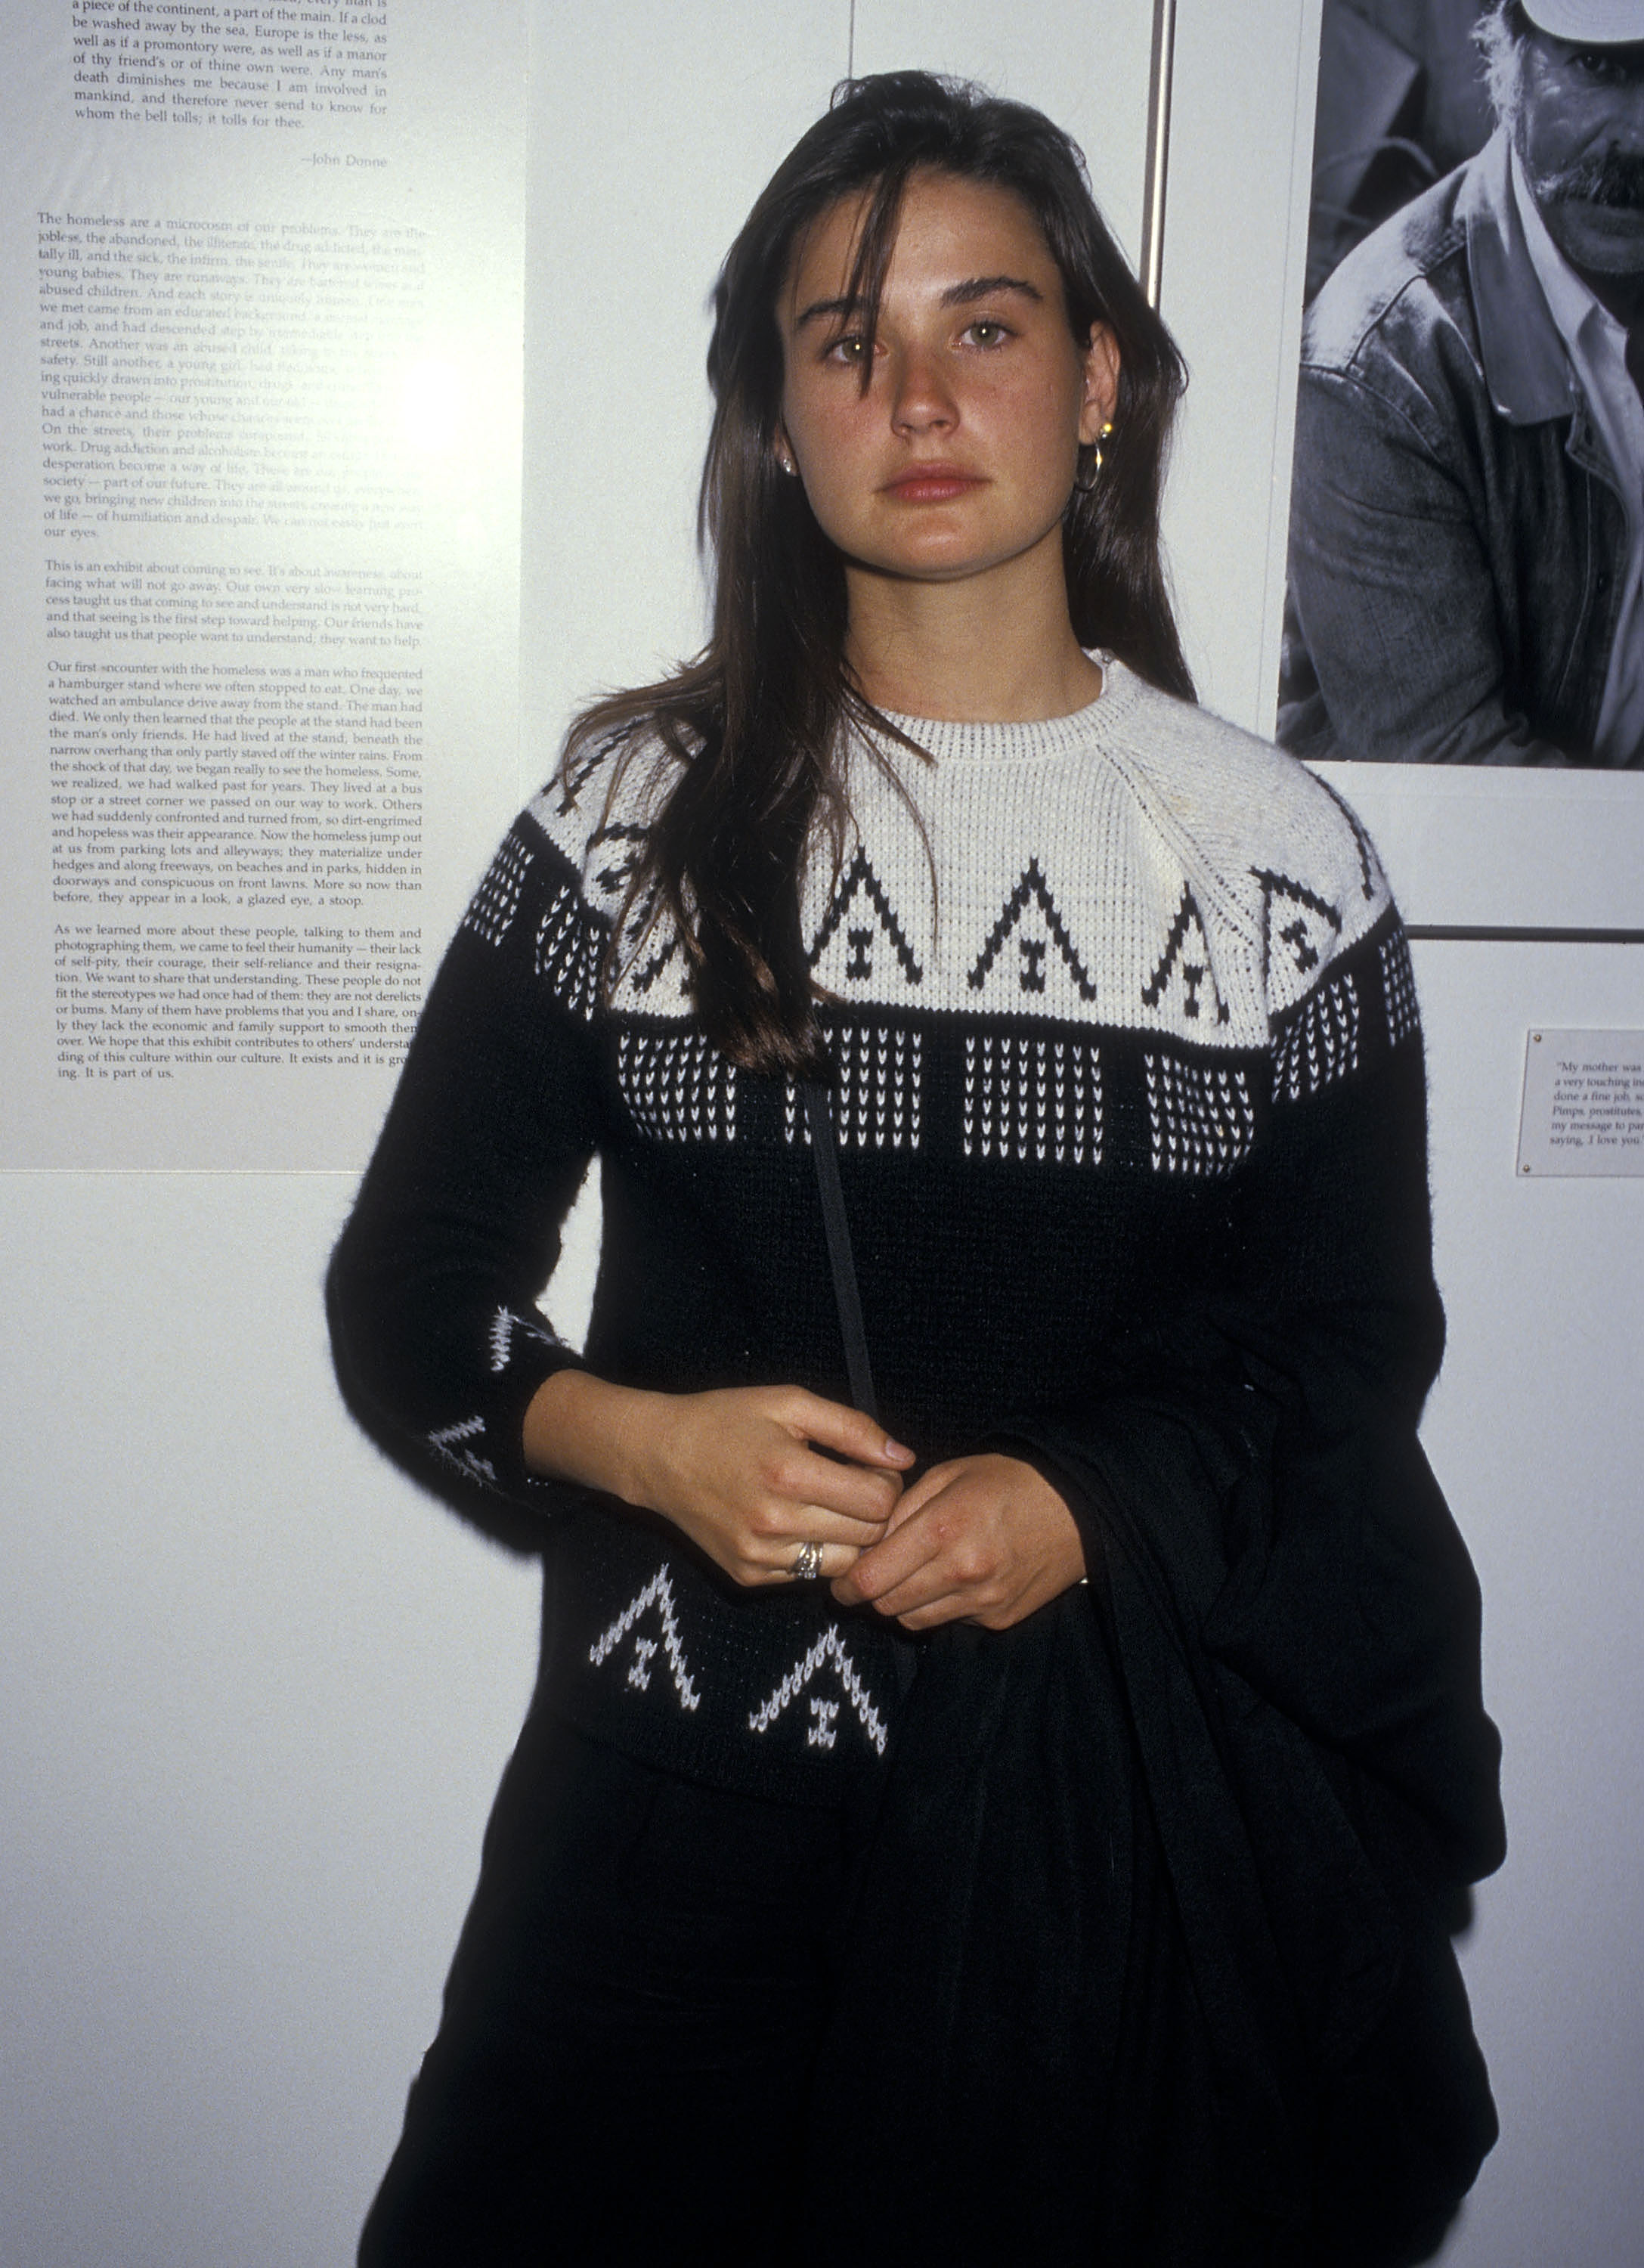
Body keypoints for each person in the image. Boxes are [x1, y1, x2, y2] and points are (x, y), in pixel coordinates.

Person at [329, 70, 1504, 2266]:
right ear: (776, 418)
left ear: (1098, 380)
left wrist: (1085, 1502)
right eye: (843, 339)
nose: (919, 397)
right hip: (661, 1859)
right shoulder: (627, 821)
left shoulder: (1276, 860)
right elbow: (404, 1295)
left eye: (984, 323)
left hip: (1085, 1864)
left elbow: (1349, 1352)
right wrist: (641, 1443)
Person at [1280, 0, 1644, 766]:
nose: (1637, 135)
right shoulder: (1375, 380)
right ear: (1507, 63)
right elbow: (1461, 781)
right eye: (1599, 68)